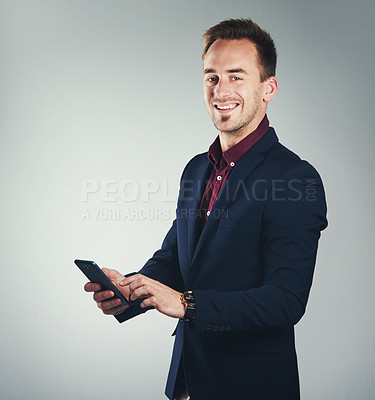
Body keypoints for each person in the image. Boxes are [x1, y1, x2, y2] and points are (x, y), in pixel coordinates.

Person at [84, 18, 328, 400]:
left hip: (252, 387)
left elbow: (285, 299)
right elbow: (175, 260)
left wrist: (186, 304)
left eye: (236, 76)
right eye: (211, 77)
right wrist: (130, 291)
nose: (221, 90)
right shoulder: (197, 169)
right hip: (186, 383)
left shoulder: (296, 178)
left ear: (269, 88)